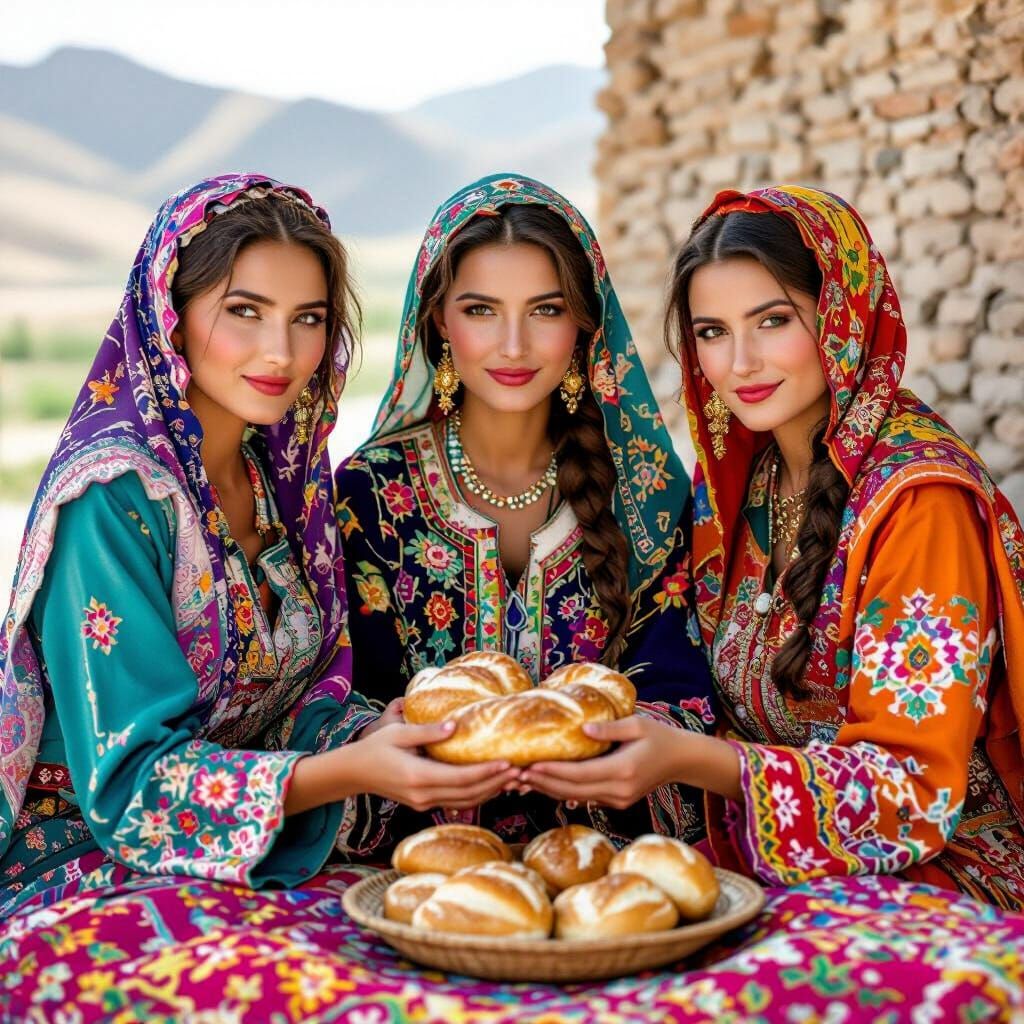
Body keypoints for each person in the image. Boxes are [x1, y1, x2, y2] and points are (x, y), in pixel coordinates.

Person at [0, 173, 516, 923]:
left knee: (445, 920)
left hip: (237, 858)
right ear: (169, 318)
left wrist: (381, 732)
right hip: (87, 867)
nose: (281, 352)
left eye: (308, 318)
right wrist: (343, 771)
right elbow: (132, 788)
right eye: (244, 312)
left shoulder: (277, 481)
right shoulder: (111, 500)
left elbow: (285, 708)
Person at [520, 184, 1024, 913]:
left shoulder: (920, 506)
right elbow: (692, 680)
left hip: (940, 875)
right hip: (778, 855)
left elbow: (911, 794)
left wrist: (699, 762)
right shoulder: (739, 485)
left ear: (843, 320)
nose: (741, 362)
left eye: (773, 320)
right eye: (713, 332)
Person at [334, 173, 715, 851]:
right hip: (412, 868)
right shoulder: (368, 493)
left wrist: (637, 746)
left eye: (545, 309)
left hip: (613, 864)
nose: (513, 344)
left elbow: (681, 693)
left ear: (582, 325)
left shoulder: (647, 492)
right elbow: (346, 696)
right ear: (438, 322)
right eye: (481, 310)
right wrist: (379, 735)